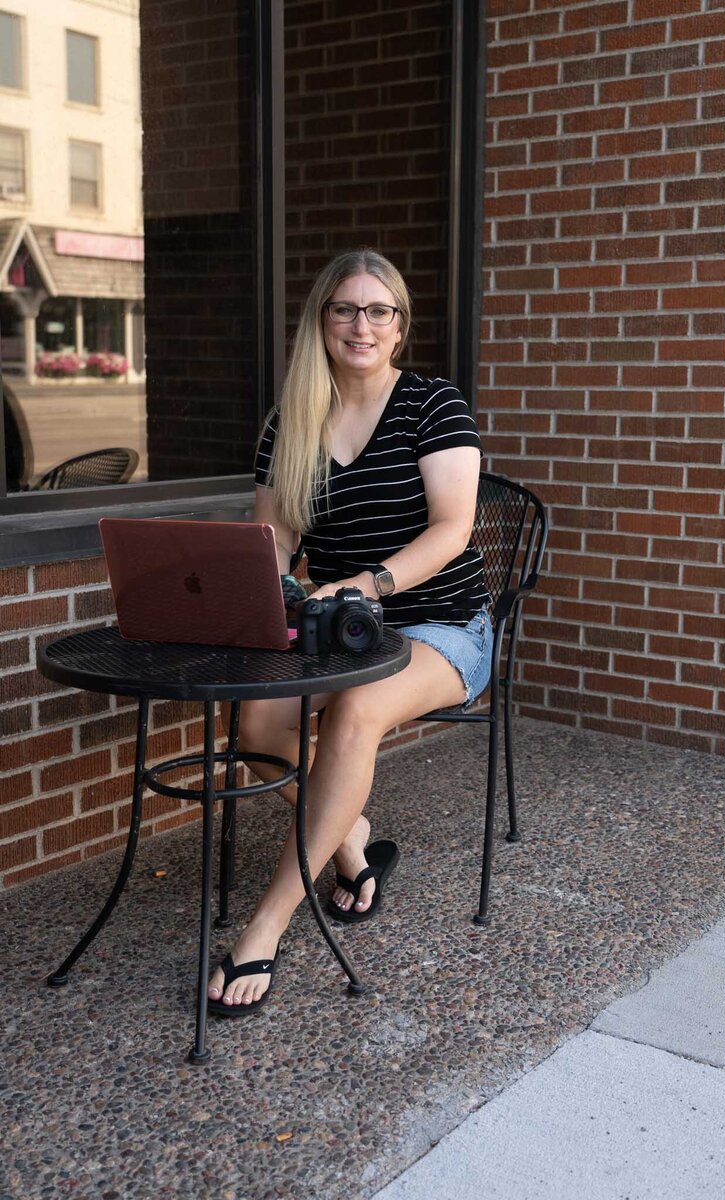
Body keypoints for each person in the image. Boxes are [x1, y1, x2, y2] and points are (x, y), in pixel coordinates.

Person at [208, 248, 493, 1016]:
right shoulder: (292, 419)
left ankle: (266, 924)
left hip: (441, 624)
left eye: (378, 310)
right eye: (344, 309)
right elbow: (272, 541)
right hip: (338, 627)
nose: (360, 325)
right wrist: (258, 591)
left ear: (399, 325)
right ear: (321, 321)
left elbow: (453, 530)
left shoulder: (434, 404)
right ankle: (352, 834)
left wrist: (370, 583)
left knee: (357, 715)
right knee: (260, 725)